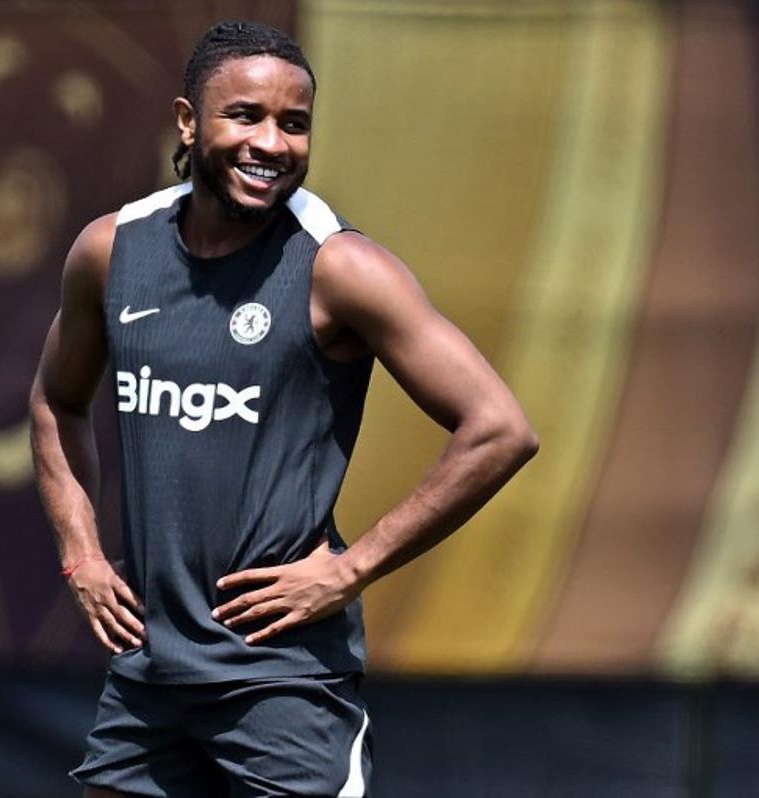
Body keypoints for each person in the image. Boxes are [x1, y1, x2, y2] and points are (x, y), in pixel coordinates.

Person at [29, 20, 538, 798]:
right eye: (246, 116)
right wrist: (83, 556)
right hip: (150, 676)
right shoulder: (111, 252)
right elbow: (56, 402)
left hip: (284, 684)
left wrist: (351, 569)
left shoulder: (342, 269)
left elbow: (499, 429)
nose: (272, 142)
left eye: (294, 124)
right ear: (187, 122)